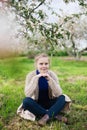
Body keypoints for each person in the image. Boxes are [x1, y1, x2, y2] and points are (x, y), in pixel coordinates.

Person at [17, 53, 71, 126]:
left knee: (63, 98)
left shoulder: (52, 75)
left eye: (46, 64)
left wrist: (50, 80)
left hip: (50, 102)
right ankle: (55, 116)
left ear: (49, 65)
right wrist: (35, 79)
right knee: (26, 101)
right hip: (37, 103)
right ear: (36, 65)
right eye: (41, 64)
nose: (44, 66)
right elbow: (27, 94)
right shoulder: (31, 75)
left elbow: (59, 93)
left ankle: (45, 117)